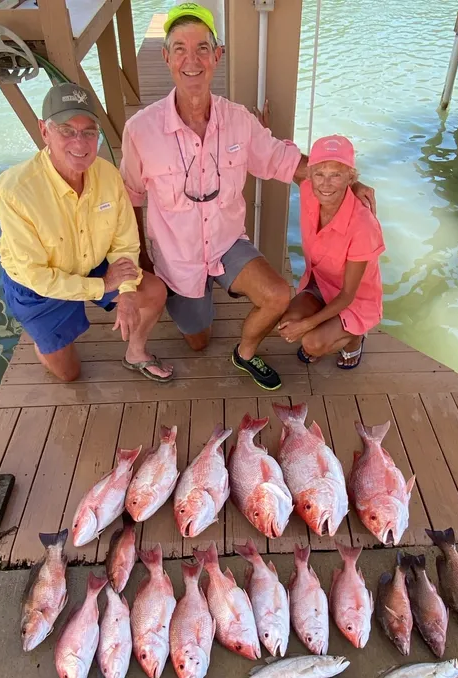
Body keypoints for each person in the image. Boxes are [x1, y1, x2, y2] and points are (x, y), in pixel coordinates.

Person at [119, 2, 375, 391]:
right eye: (181, 49)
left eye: (203, 48)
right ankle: (194, 305)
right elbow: (131, 196)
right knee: (197, 341)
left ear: (217, 56)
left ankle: (245, 351)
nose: (193, 60)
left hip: (226, 244)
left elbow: (283, 161)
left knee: (278, 295)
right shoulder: (139, 129)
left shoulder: (240, 119)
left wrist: (345, 181)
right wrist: (141, 259)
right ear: (166, 56)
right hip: (176, 256)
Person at [0, 82, 173, 383]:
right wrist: (103, 286)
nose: (80, 142)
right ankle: (43, 340)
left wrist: (126, 293)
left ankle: (136, 353)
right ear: (44, 130)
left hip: (93, 263)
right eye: (66, 130)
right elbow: (38, 276)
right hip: (39, 287)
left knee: (153, 291)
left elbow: (124, 241)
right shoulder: (14, 192)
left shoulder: (108, 175)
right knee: (68, 375)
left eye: (89, 131)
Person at [278, 135, 385, 369]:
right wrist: (265, 130)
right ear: (310, 174)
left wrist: (307, 325)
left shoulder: (363, 225)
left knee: (312, 342)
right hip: (320, 284)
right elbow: (286, 156)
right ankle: (326, 330)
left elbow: (348, 294)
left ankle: (355, 339)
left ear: (351, 177)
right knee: (287, 324)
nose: (326, 184)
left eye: (336, 175)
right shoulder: (309, 188)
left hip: (353, 298)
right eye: (320, 174)